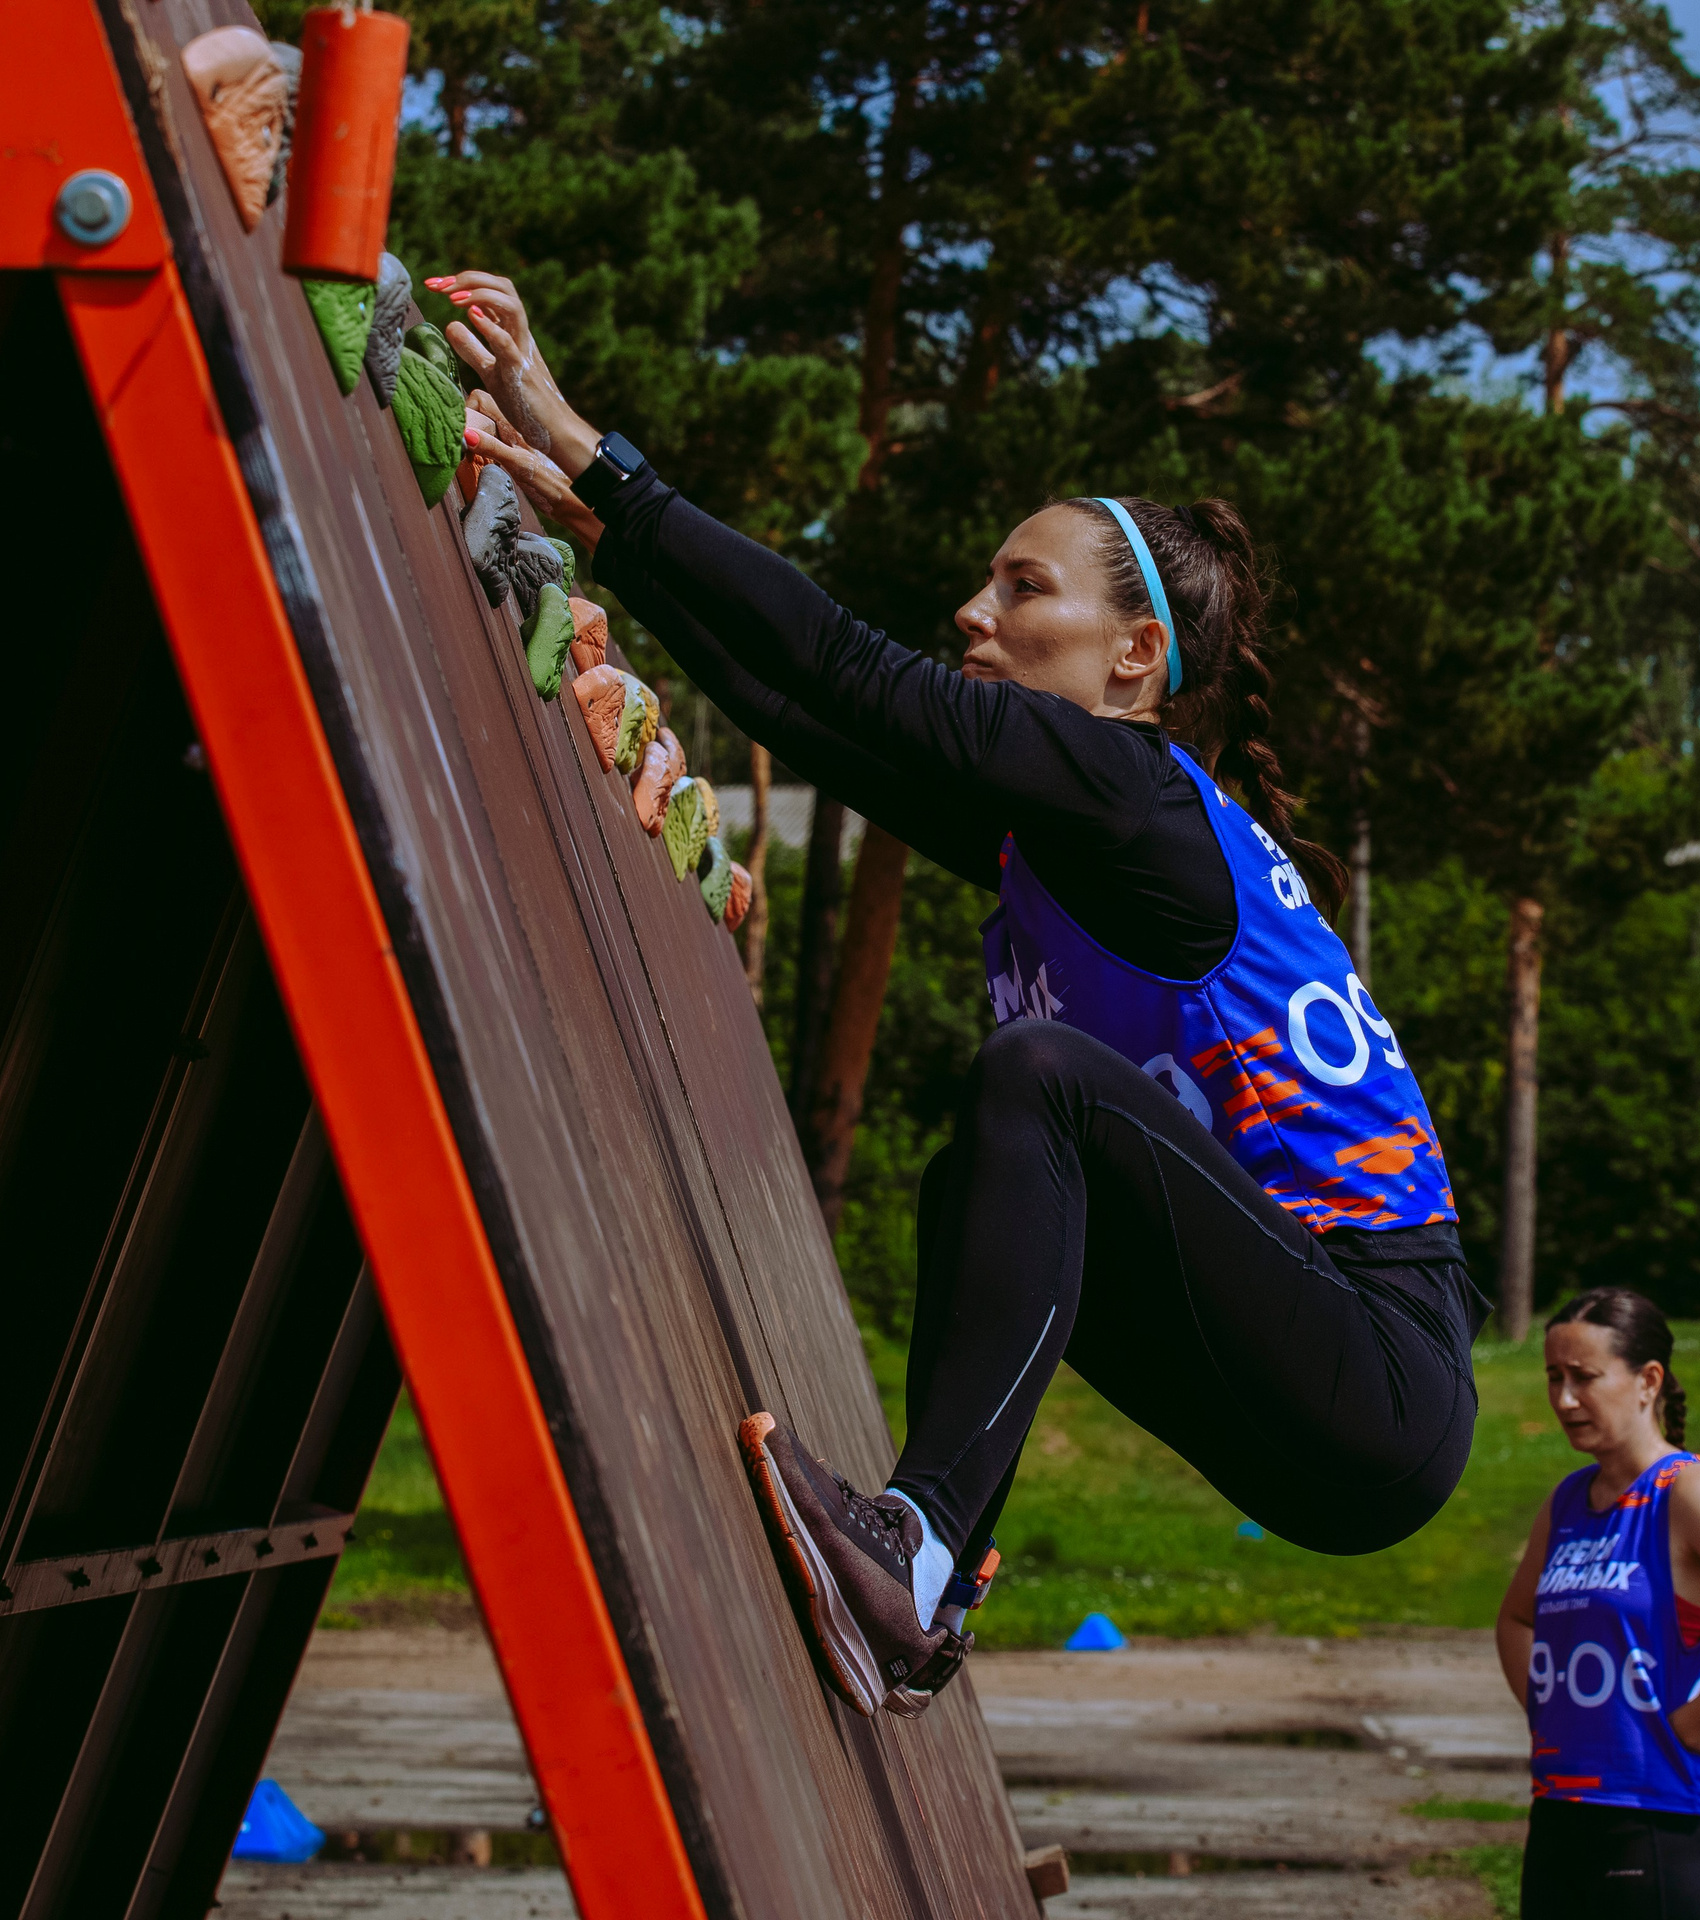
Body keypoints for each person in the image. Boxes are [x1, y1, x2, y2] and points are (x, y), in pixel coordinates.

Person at [432, 271, 1480, 1721]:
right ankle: (925, 1593)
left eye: (1022, 589)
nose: (973, 611)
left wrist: (596, 451)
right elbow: (801, 712)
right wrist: (615, 539)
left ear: (1134, 659)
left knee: (1036, 1077)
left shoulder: (1127, 782)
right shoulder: (1064, 828)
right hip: (1313, 1409)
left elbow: (847, 666)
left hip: (1378, 1366)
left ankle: (914, 1549)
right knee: (978, 1173)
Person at [1497, 1289, 1700, 1919]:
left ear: (1648, 1381)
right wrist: (1547, 1715)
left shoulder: (1689, 1491)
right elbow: (1516, 1619)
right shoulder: (1567, 1502)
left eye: (1585, 1377)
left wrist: (1689, 1725)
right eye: (1554, 1377)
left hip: (1657, 1823)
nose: (1564, 1400)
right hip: (1560, 1816)